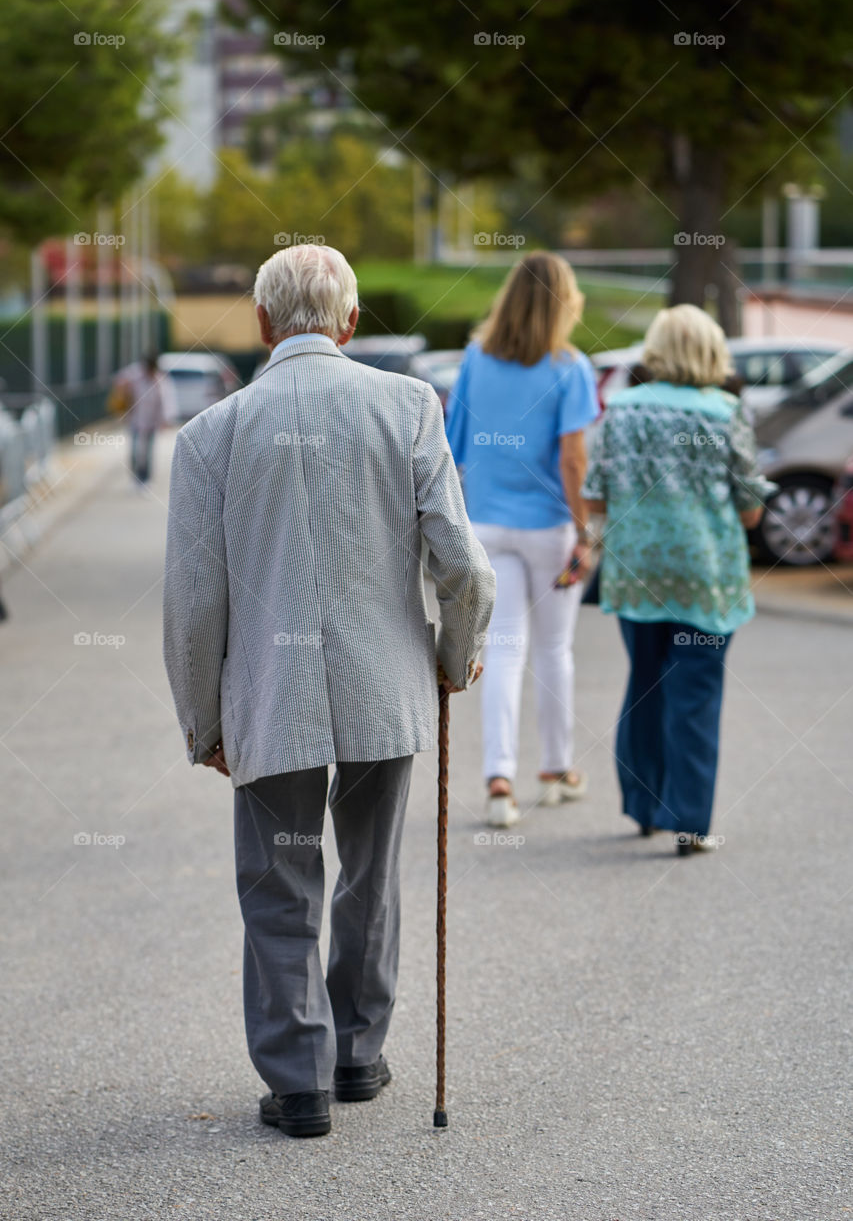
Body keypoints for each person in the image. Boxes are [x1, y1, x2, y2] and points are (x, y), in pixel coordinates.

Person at [162, 244, 494, 1139]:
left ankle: (298, 1081)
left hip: (268, 696)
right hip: (384, 685)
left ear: (263, 324)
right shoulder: (409, 406)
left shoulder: (209, 436)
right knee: (369, 877)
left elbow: (194, 604)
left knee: (279, 886)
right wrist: (452, 657)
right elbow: (462, 565)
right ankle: (357, 1052)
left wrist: (202, 721)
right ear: (350, 323)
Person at [581, 304, 776, 856]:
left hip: (636, 570)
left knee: (643, 683)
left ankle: (644, 806)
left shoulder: (622, 408)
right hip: (704, 574)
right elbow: (749, 508)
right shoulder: (724, 412)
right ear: (712, 351)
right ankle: (690, 821)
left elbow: (595, 493)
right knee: (695, 693)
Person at [445, 251, 600, 830]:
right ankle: (556, 771)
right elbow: (573, 458)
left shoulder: (474, 359)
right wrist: (586, 532)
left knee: (504, 649)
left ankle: (498, 780)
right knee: (554, 650)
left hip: (486, 524)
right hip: (549, 528)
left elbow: (452, 448)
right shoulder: (570, 366)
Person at [110, 352, 168, 486]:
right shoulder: (134, 375)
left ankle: (145, 478)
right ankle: (135, 478)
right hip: (135, 420)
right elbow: (118, 380)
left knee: (148, 451)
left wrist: (163, 419)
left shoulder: (159, 380)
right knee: (135, 451)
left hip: (151, 421)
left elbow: (163, 401)